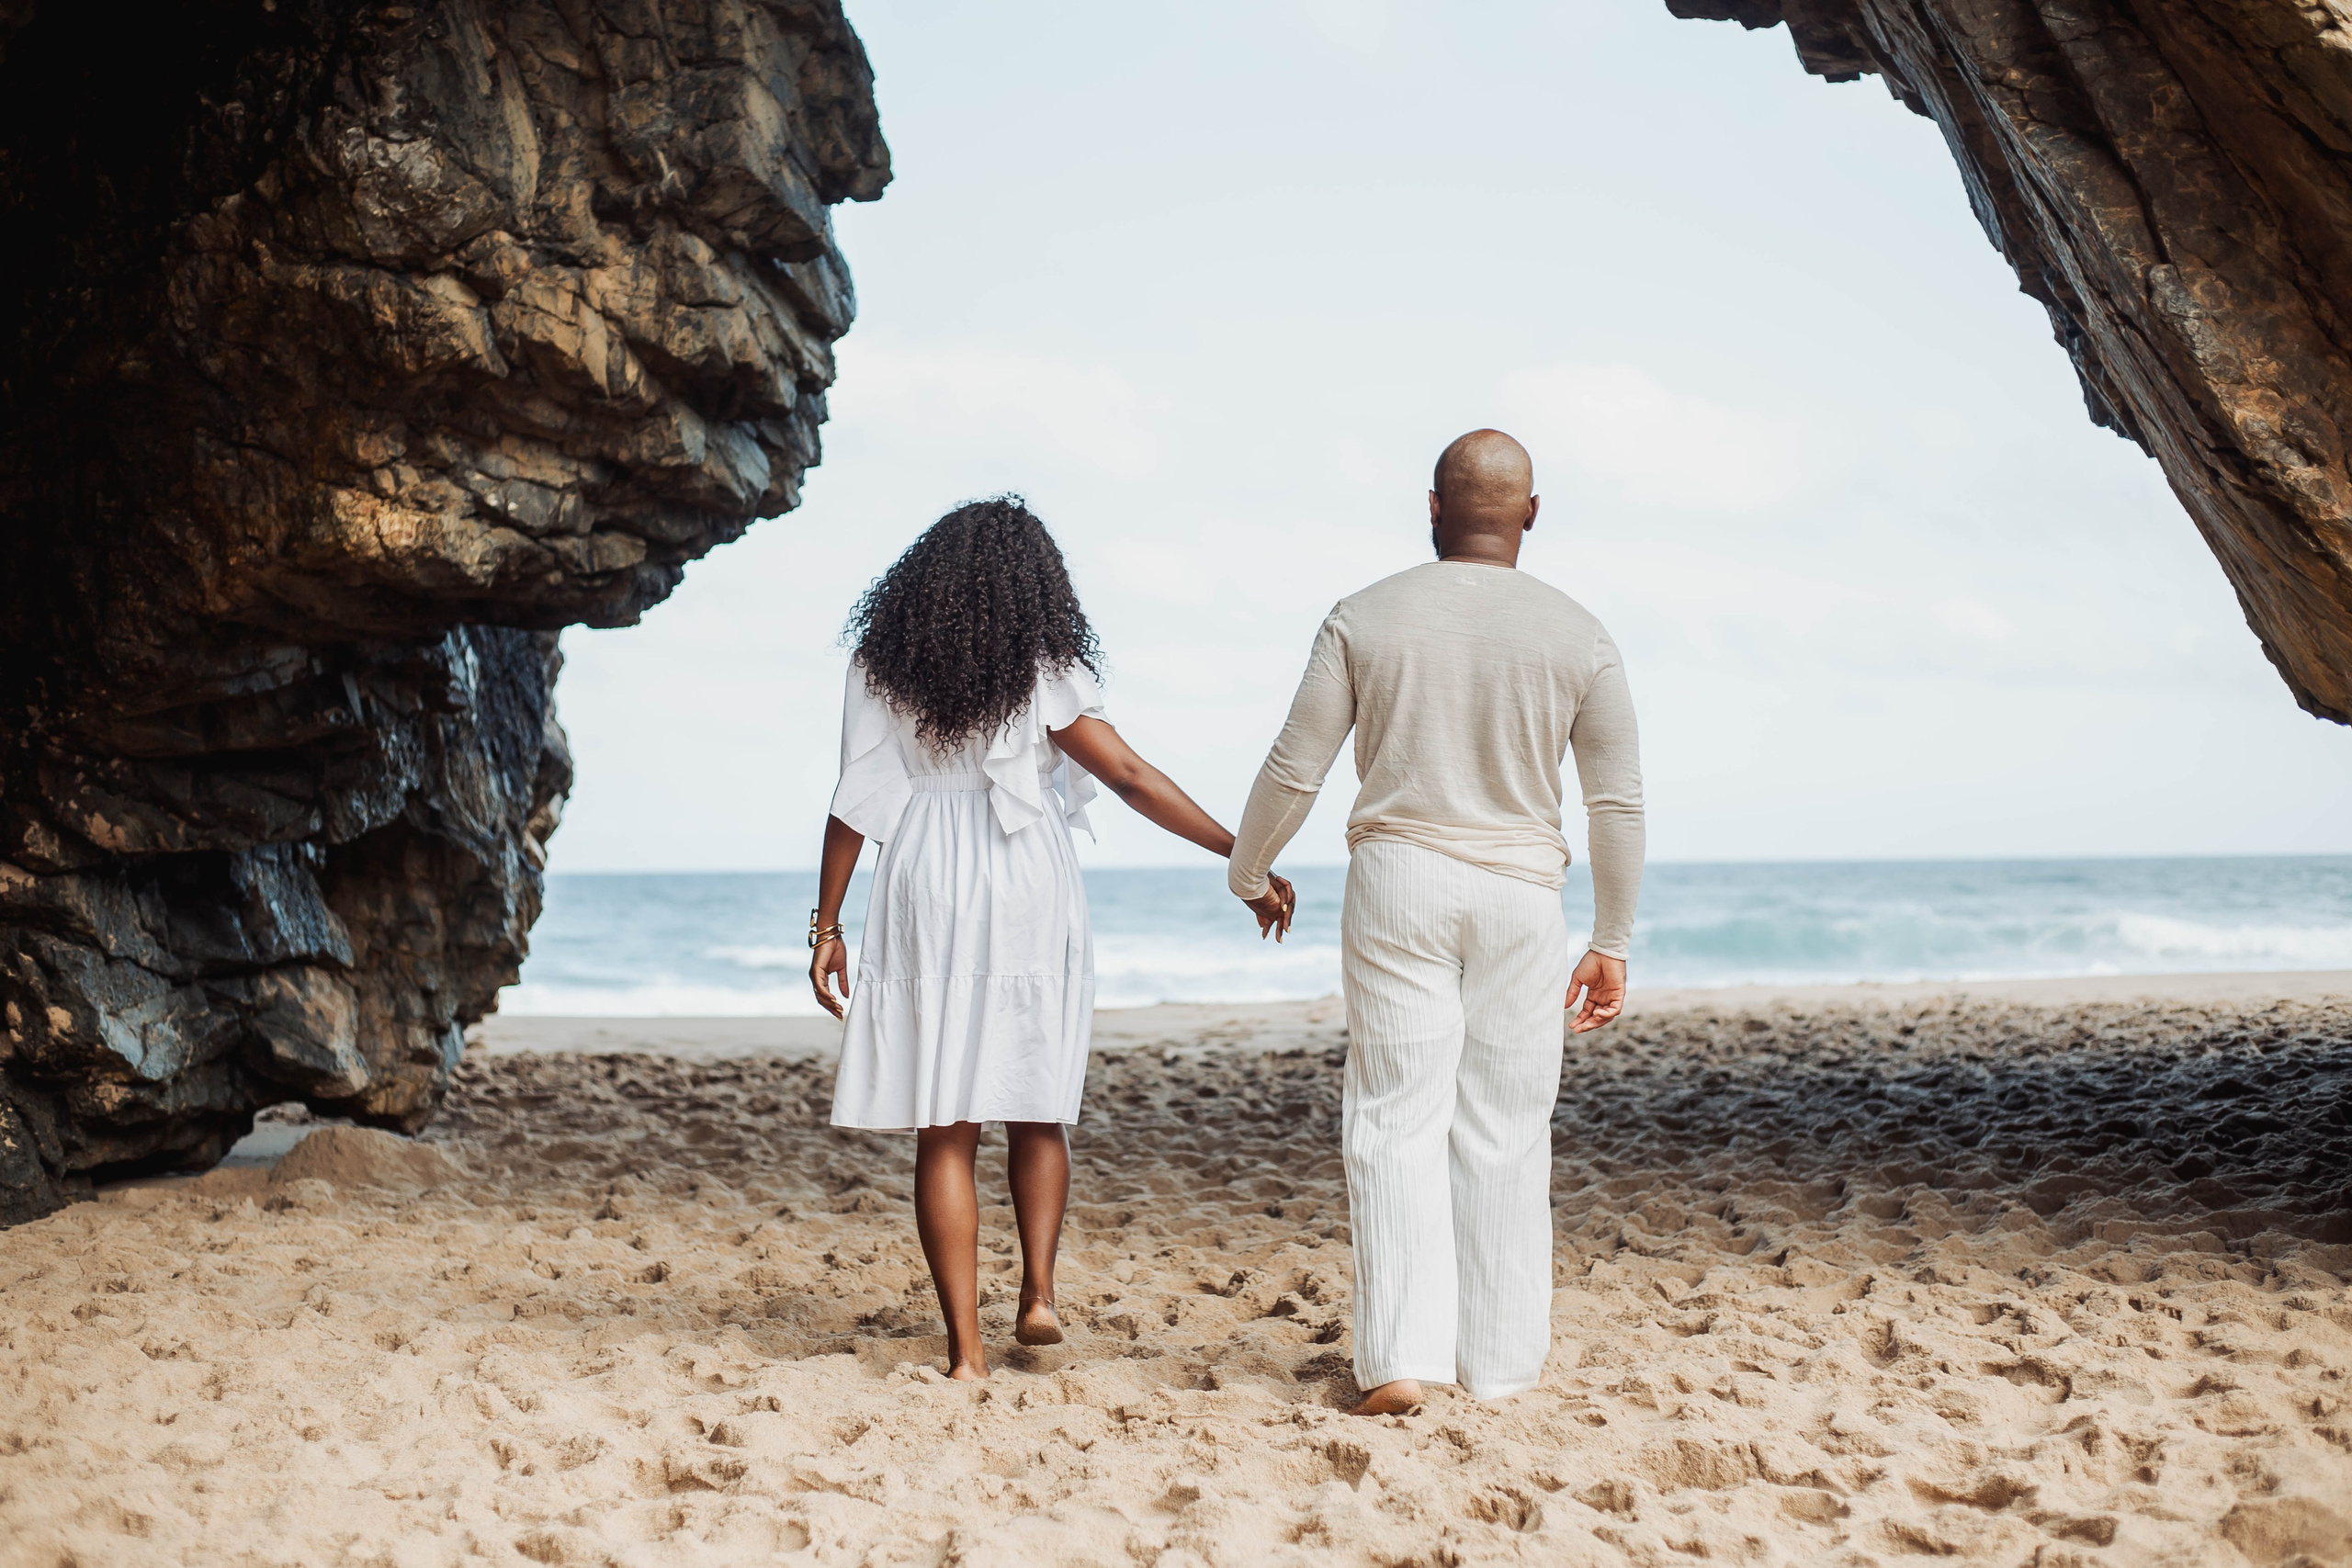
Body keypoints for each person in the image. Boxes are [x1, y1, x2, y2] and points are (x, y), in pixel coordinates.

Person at [808, 495, 1295, 1382]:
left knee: (943, 1124)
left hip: (927, 875)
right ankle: (1037, 1292)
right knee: (1036, 1096)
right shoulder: (1044, 667)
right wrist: (1242, 856)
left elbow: (856, 798)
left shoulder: (880, 663)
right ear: (1035, 584)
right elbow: (1133, 777)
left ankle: (966, 1354)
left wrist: (828, 923)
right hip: (1025, 870)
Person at [1227, 430, 1645, 1415]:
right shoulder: (1577, 632)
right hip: (1519, 896)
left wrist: (1251, 870)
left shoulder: (1363, 615)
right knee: (1505, 1127)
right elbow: (1614, 804)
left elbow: (1297, 766)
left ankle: (1401, 1362)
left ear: (1431, 506)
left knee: (1393, 1120)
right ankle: (1499, 1370)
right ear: (1530, 514)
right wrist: (1612, 938)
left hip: (1399, 880)